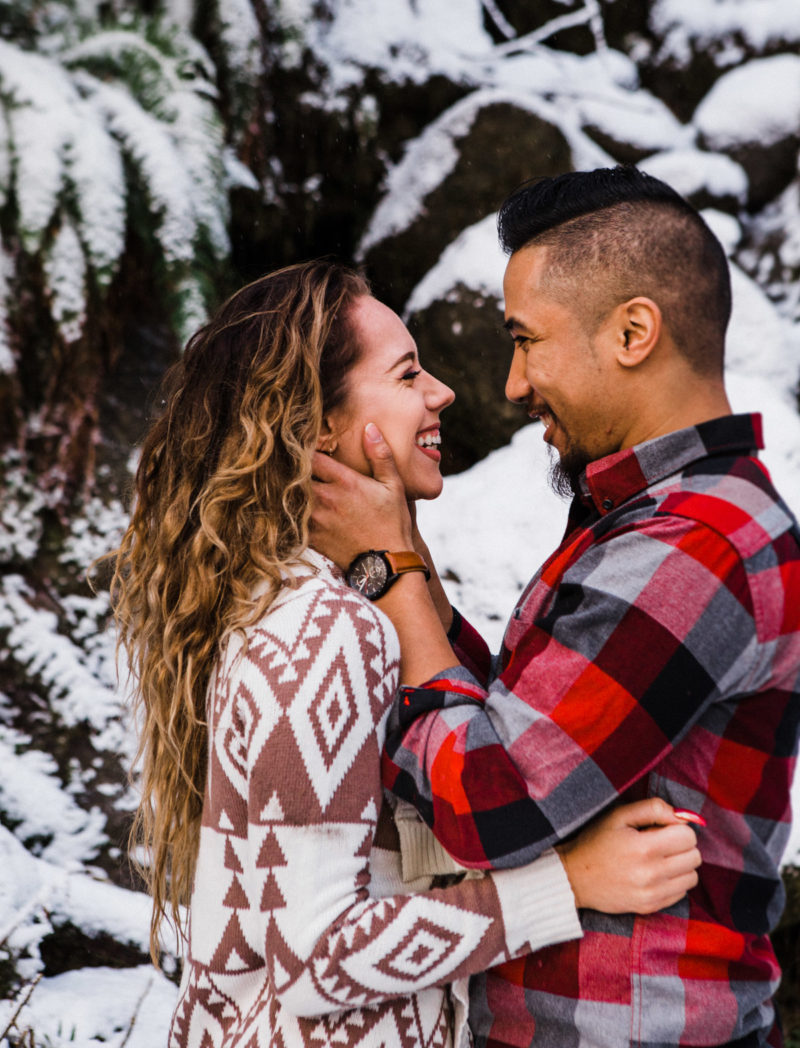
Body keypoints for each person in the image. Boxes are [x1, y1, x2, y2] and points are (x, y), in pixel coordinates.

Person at [110, 259, 701, 1048]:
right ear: (319, 428)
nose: (444, 392)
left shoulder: (307, 601)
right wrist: (566, 883)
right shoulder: (324, 631)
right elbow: (318, 958)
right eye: (407, 372)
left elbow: (365, 865)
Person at [310, 167, 800, 1048]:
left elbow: (490, 800)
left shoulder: (696, 547)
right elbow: (519, 723)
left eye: (526, 340)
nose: (510, 383)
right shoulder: (655, 523)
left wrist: (390, 569)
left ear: (633, 332)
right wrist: (398, 559)